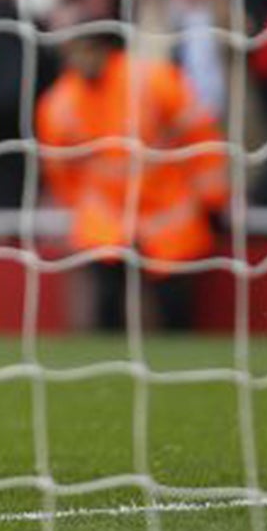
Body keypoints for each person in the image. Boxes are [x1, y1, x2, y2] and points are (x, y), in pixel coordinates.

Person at [36, 18, 228, 332]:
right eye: (73, 52)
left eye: (86, 51)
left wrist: (213, 197)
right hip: (107, 218)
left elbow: (201, 135)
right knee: (107, 309)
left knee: (176, 310)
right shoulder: (58, 104)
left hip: (167, 211)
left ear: (105, 50)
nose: (79, 59)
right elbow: (59, 169)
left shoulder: (152, 80)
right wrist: (80, 206)